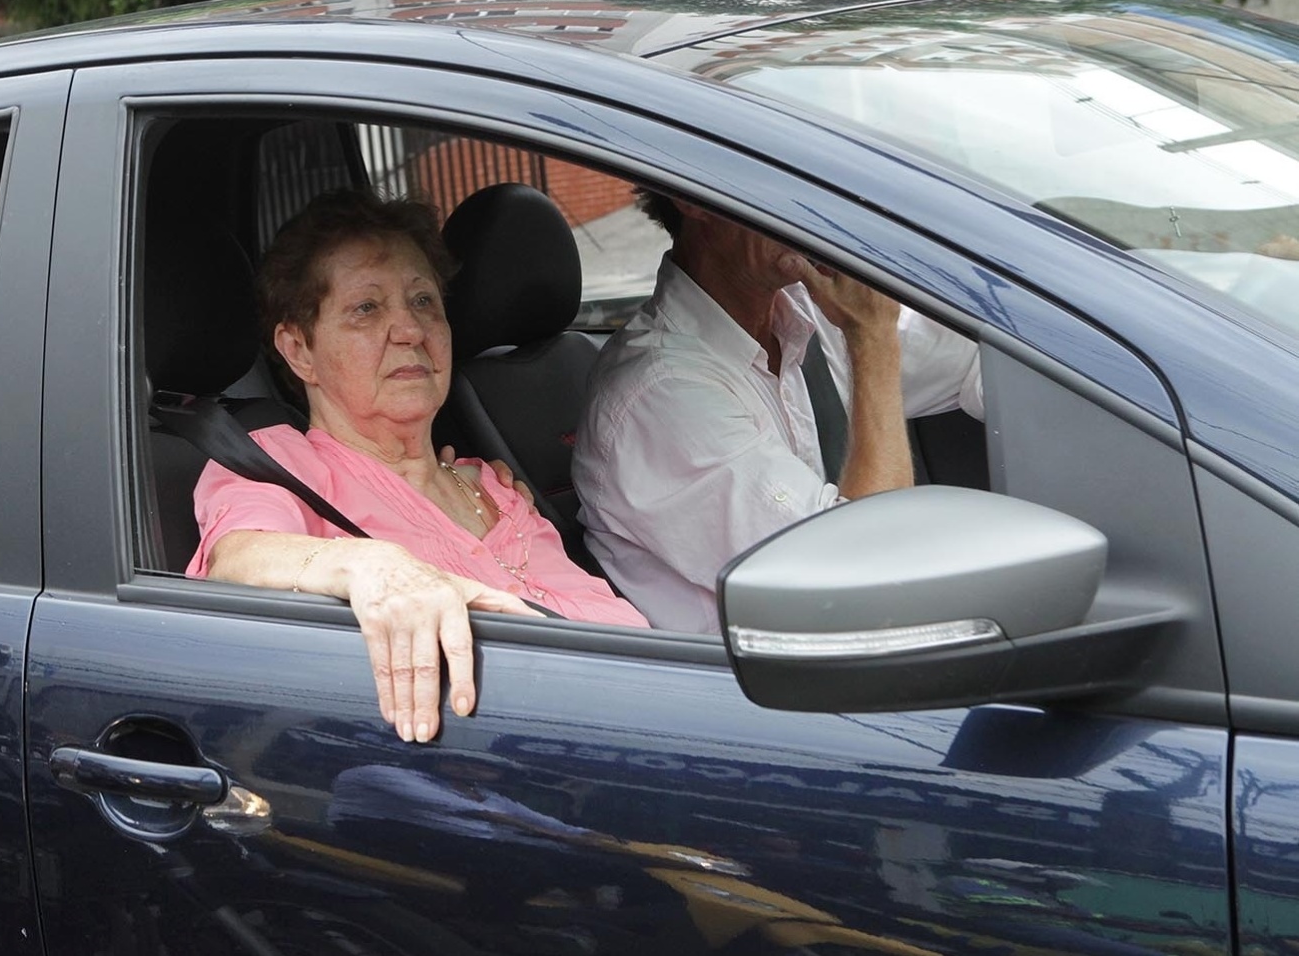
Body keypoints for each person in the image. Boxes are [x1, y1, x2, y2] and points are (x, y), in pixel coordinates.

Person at [189, 190, 648, 745]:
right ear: (299, 349)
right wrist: (374, 566)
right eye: (367, 308)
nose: (410, 329)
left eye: (424, 301)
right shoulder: (281, 462)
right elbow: (235, 556)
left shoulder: (490, 485)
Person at [571, 194, 983, 633]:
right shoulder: (660, 393)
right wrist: (872, 336)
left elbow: (984, 358)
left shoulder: (804, 314)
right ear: (695, 202)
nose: (806, 208)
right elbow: (868, 582)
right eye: (773, 186)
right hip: (754, 688)